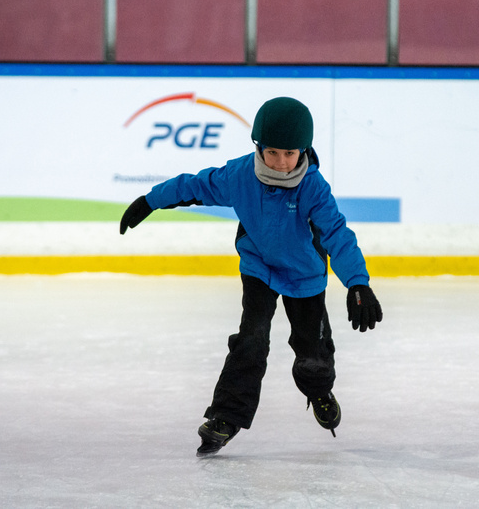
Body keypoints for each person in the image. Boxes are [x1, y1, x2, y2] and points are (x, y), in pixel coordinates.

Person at [119, 96, 382, 456]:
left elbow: (337, 234)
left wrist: (358, 282)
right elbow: (194, 186)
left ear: (303, 150)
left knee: (312, 351)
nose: (281, 162)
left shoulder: (313, 188)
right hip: (258, 267)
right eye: (272, 152)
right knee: (251, 340)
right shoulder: (241, 175)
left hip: (305, 277)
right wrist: (150, 200)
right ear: (259, 146)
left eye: (290, 154)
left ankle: (319, 389)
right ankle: (226, 417)